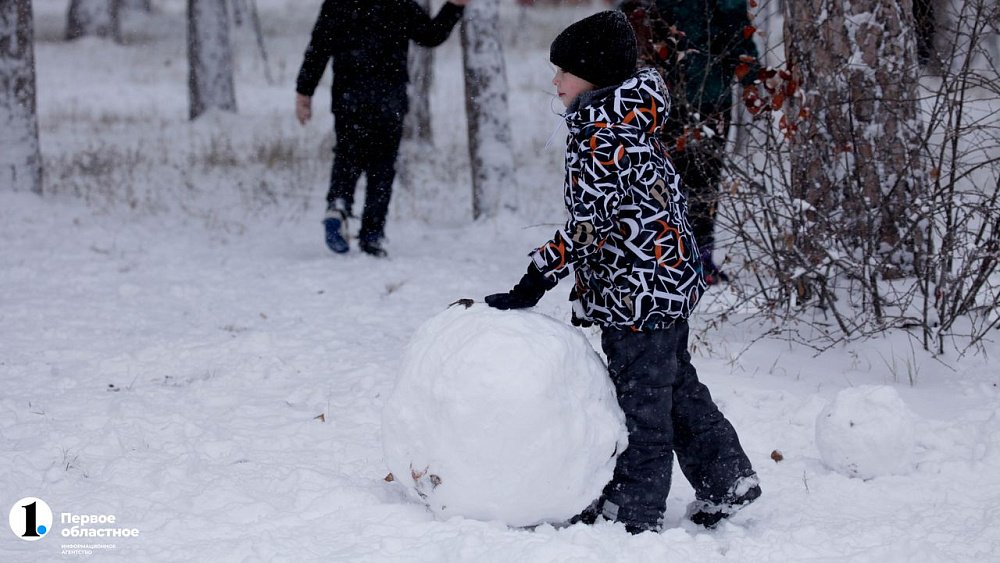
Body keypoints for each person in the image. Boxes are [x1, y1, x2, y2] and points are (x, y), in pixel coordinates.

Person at [484, 10, 760, 533]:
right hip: (668, 282)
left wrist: (535, 280)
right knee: (675, 388)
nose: (555, 81)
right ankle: (728, 480)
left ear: (594, 75)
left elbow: (591, 225)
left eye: (564, 71)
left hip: (638, 293)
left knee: (642, 407)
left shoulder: (601, 136)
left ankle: (633, 511)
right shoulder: (630, 121)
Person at [295, 0, 469, 257]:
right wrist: (454, 6)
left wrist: (304, 92)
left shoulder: (337, 4)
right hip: (388, 98)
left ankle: (338, 205)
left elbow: (318, 47)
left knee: (346, 154)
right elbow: (430, 35)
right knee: (382, 166)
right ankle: (372, 235)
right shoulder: (398, 4)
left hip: (349, 96)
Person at [618, 0, 760, 284]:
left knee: (668, 176)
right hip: (695, 92)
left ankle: (672, 257)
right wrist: (753, 76)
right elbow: (735, 30)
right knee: (698, 177)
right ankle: (691, 258)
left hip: (675, 92)